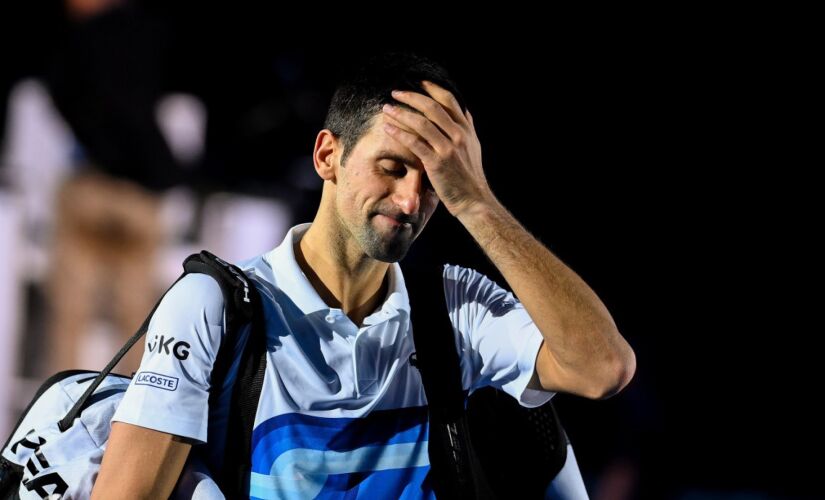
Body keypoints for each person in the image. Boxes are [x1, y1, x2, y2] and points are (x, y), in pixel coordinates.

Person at [92, 52, 636, 499]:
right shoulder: (215, 306)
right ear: (328, 155)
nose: (410, 200)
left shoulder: (456, 307)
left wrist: (477, 203)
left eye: (436, 181)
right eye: (392, 167)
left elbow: (603, 367)